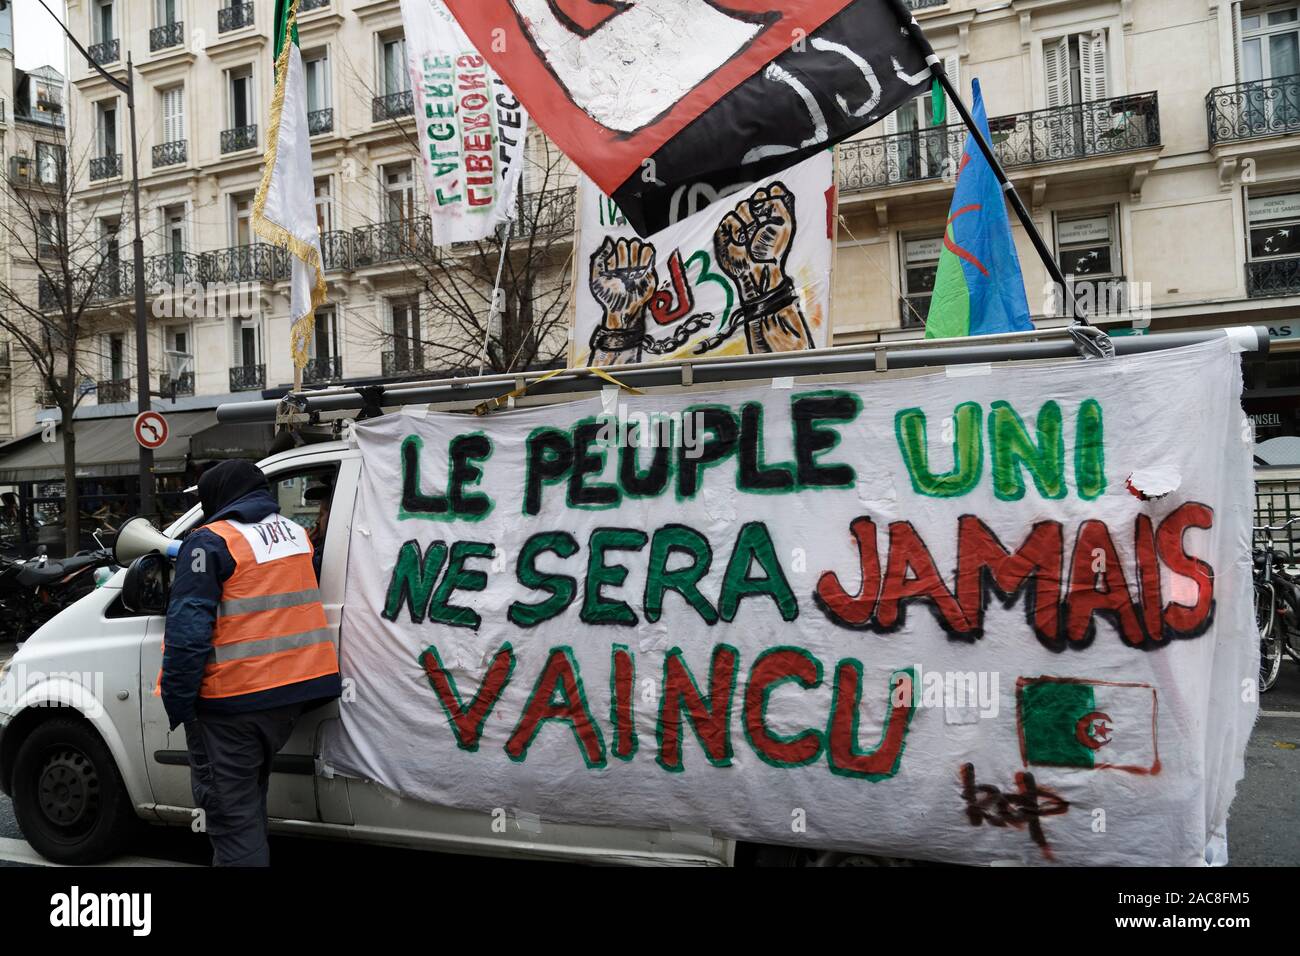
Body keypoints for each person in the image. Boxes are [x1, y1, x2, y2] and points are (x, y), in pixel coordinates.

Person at [159, 460, 341, 866]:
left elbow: (188, 635)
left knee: (231, 818)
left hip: (232, 701)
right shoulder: (296, 535)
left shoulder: (209, 542)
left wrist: (178, 703)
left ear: (216, 498)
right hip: (290, 695)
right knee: (246, 801)